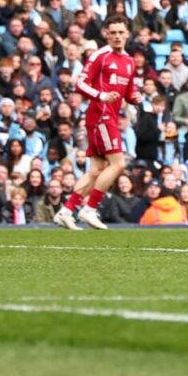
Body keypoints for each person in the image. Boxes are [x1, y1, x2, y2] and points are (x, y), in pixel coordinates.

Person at [56, 15, 134, 230]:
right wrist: (100, 96)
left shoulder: (128, 61)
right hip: (100, 115)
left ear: (127, 33)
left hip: (111, 116)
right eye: (113, 32)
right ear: (106, 34)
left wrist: (134, 98)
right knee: (118, 164)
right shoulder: (101, 55)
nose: (117, 36)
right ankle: (89, 208)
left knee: (96, 170)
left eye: (121, 32)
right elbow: (80, 83)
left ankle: (66, 210)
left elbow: (127, 90)